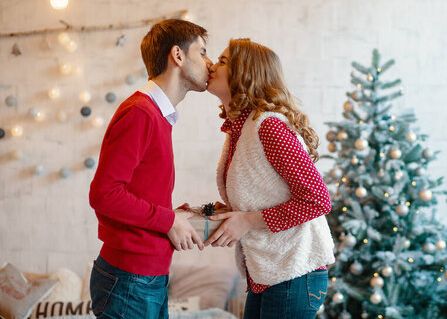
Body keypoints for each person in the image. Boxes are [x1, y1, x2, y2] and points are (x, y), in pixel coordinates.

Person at [88, 19, 212, 318]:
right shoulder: (141, 113)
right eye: (203, 52)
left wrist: (177, 215)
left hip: (145, 277)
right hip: (130, 279)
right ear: (178, 56)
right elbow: (104, 194)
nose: (210, 63)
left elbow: (137, 192)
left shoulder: (157, 114)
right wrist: (168, 221)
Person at [204, 38, 335, 318]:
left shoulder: (268, 126)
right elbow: (264, 195)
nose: (212, 66)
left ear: (246, 74)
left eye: (223, 61)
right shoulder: (240, 130)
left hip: (294, 273)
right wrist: (232, 214)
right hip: (271, 274)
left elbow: (318, 200)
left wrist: (246, 220)